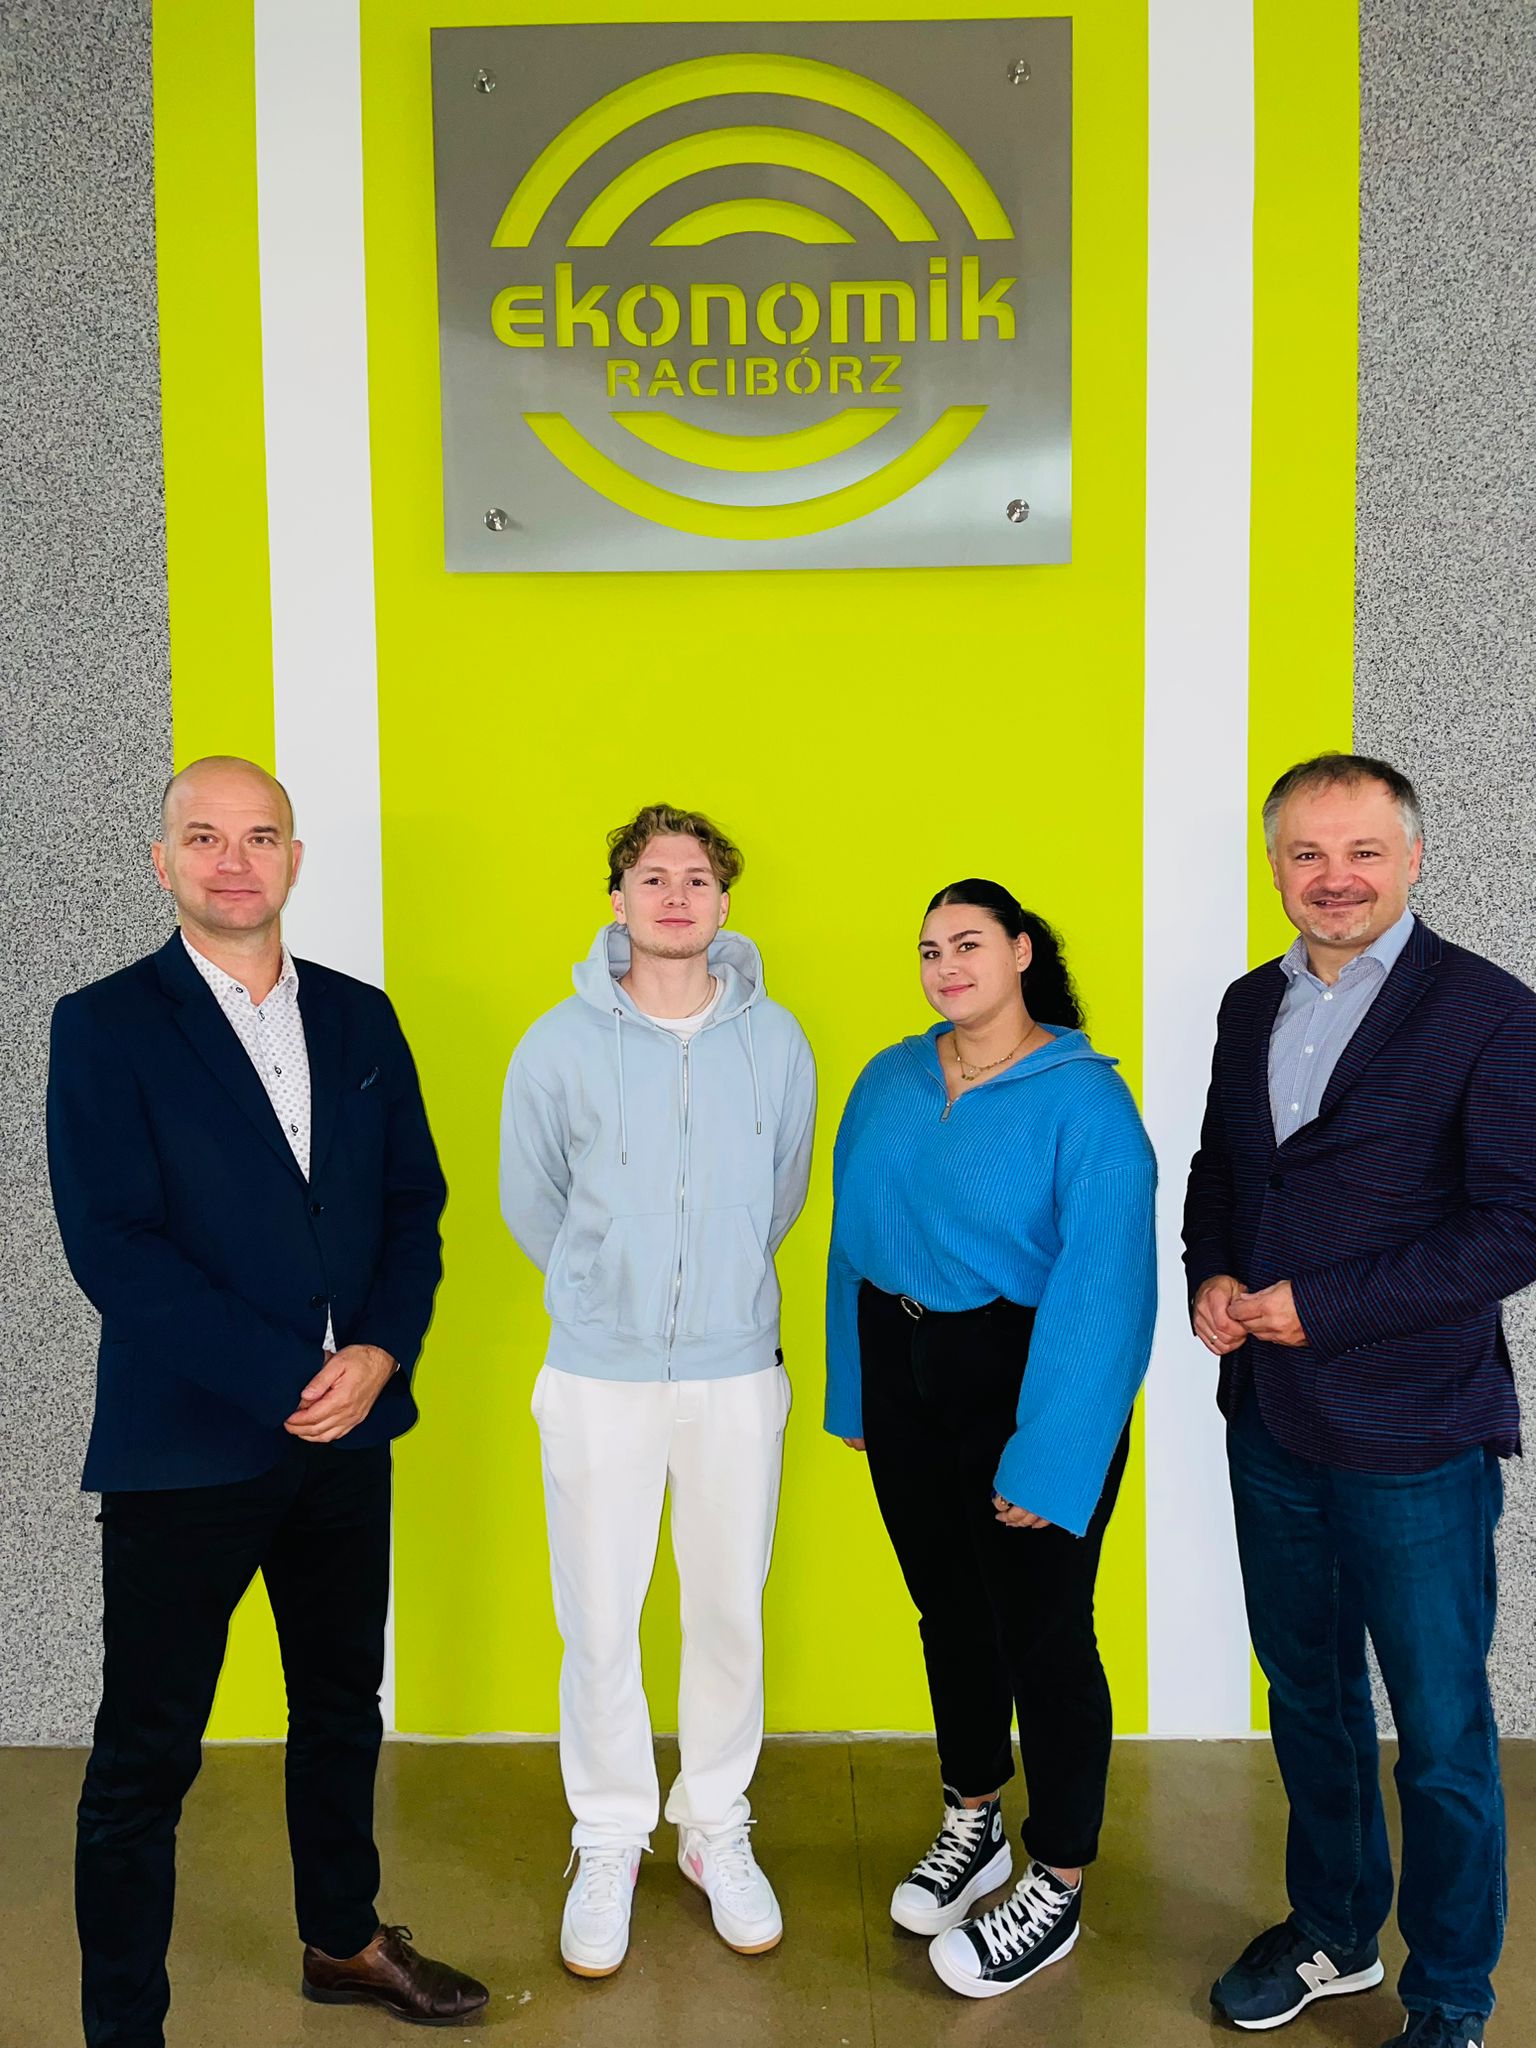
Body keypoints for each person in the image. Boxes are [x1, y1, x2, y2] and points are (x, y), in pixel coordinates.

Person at [46, 756, 488, 2046]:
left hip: (349, 1436)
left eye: (258, 836)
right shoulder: (105, 1023)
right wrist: (291, 1371)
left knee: (341, 1704)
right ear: (162, 861)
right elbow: (114, 1244)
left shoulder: (359, 1016)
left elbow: (412, 1203)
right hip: (187, 1443)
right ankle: (124, 2023)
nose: (232, 859)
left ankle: (343, 1936)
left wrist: (384, 1350)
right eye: (204, 836)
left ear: (294, 858)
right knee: (147, 1755)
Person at [1185, 752, 1536, 2048]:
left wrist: (1322, 1307)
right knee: (1311, 1700)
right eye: (1307, 854)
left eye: (1363, 852)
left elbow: (1515, 1226)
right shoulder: (1248, 1004)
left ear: (1415, 858)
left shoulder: (1489, 1013)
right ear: (1277, 865)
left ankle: (1449, 1997)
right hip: (1270, 1422)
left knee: (1440, 1735)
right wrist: (1212, 1273)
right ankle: (1334, 1929)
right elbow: (1226, 1170)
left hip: (1415, 1435)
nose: (1334, 879)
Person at [499, 803, 816, 1979]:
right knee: (599, 1614)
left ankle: (714, 1824)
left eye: (695, 877)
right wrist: (609, 1291)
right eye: (651, 875)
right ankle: (609, 1832)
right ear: (618, 899)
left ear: (724, 902)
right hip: (599, 1373)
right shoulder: (556, 1044)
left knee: (728, 1605)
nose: (674, 894)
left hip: (736, 1370)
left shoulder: (775, 1039)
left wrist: (717, 1291)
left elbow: (782, 1190)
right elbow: (532, 1200)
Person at [825, 879, 1157, 2002]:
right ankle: (974, 1816)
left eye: (968, 943)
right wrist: (856, 1390)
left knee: (1045, 1633)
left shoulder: (1087, 1103)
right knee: (949, 1612)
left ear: (1021, 951)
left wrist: (1053, 1454)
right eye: (929, 949)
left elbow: (1107, 1290)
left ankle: (1056, 1876)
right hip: (902, 1368)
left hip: (1026, 1376)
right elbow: (852, 1239)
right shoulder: (890, 1078)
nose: (946, 966)